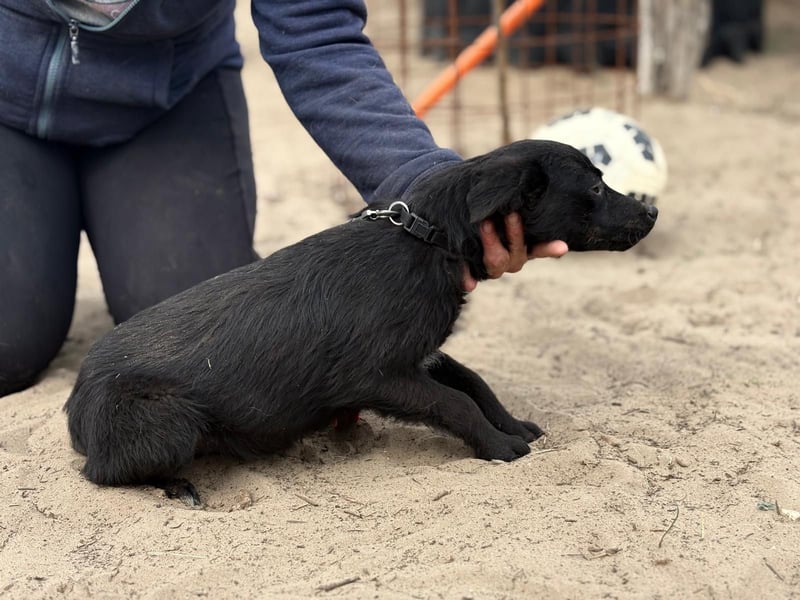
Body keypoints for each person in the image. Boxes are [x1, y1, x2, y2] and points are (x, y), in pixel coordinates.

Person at [0, 1, 567, 398]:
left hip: (165, 102)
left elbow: (316, 29)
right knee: (8, 346)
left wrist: (428, 187)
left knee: (218, 351)